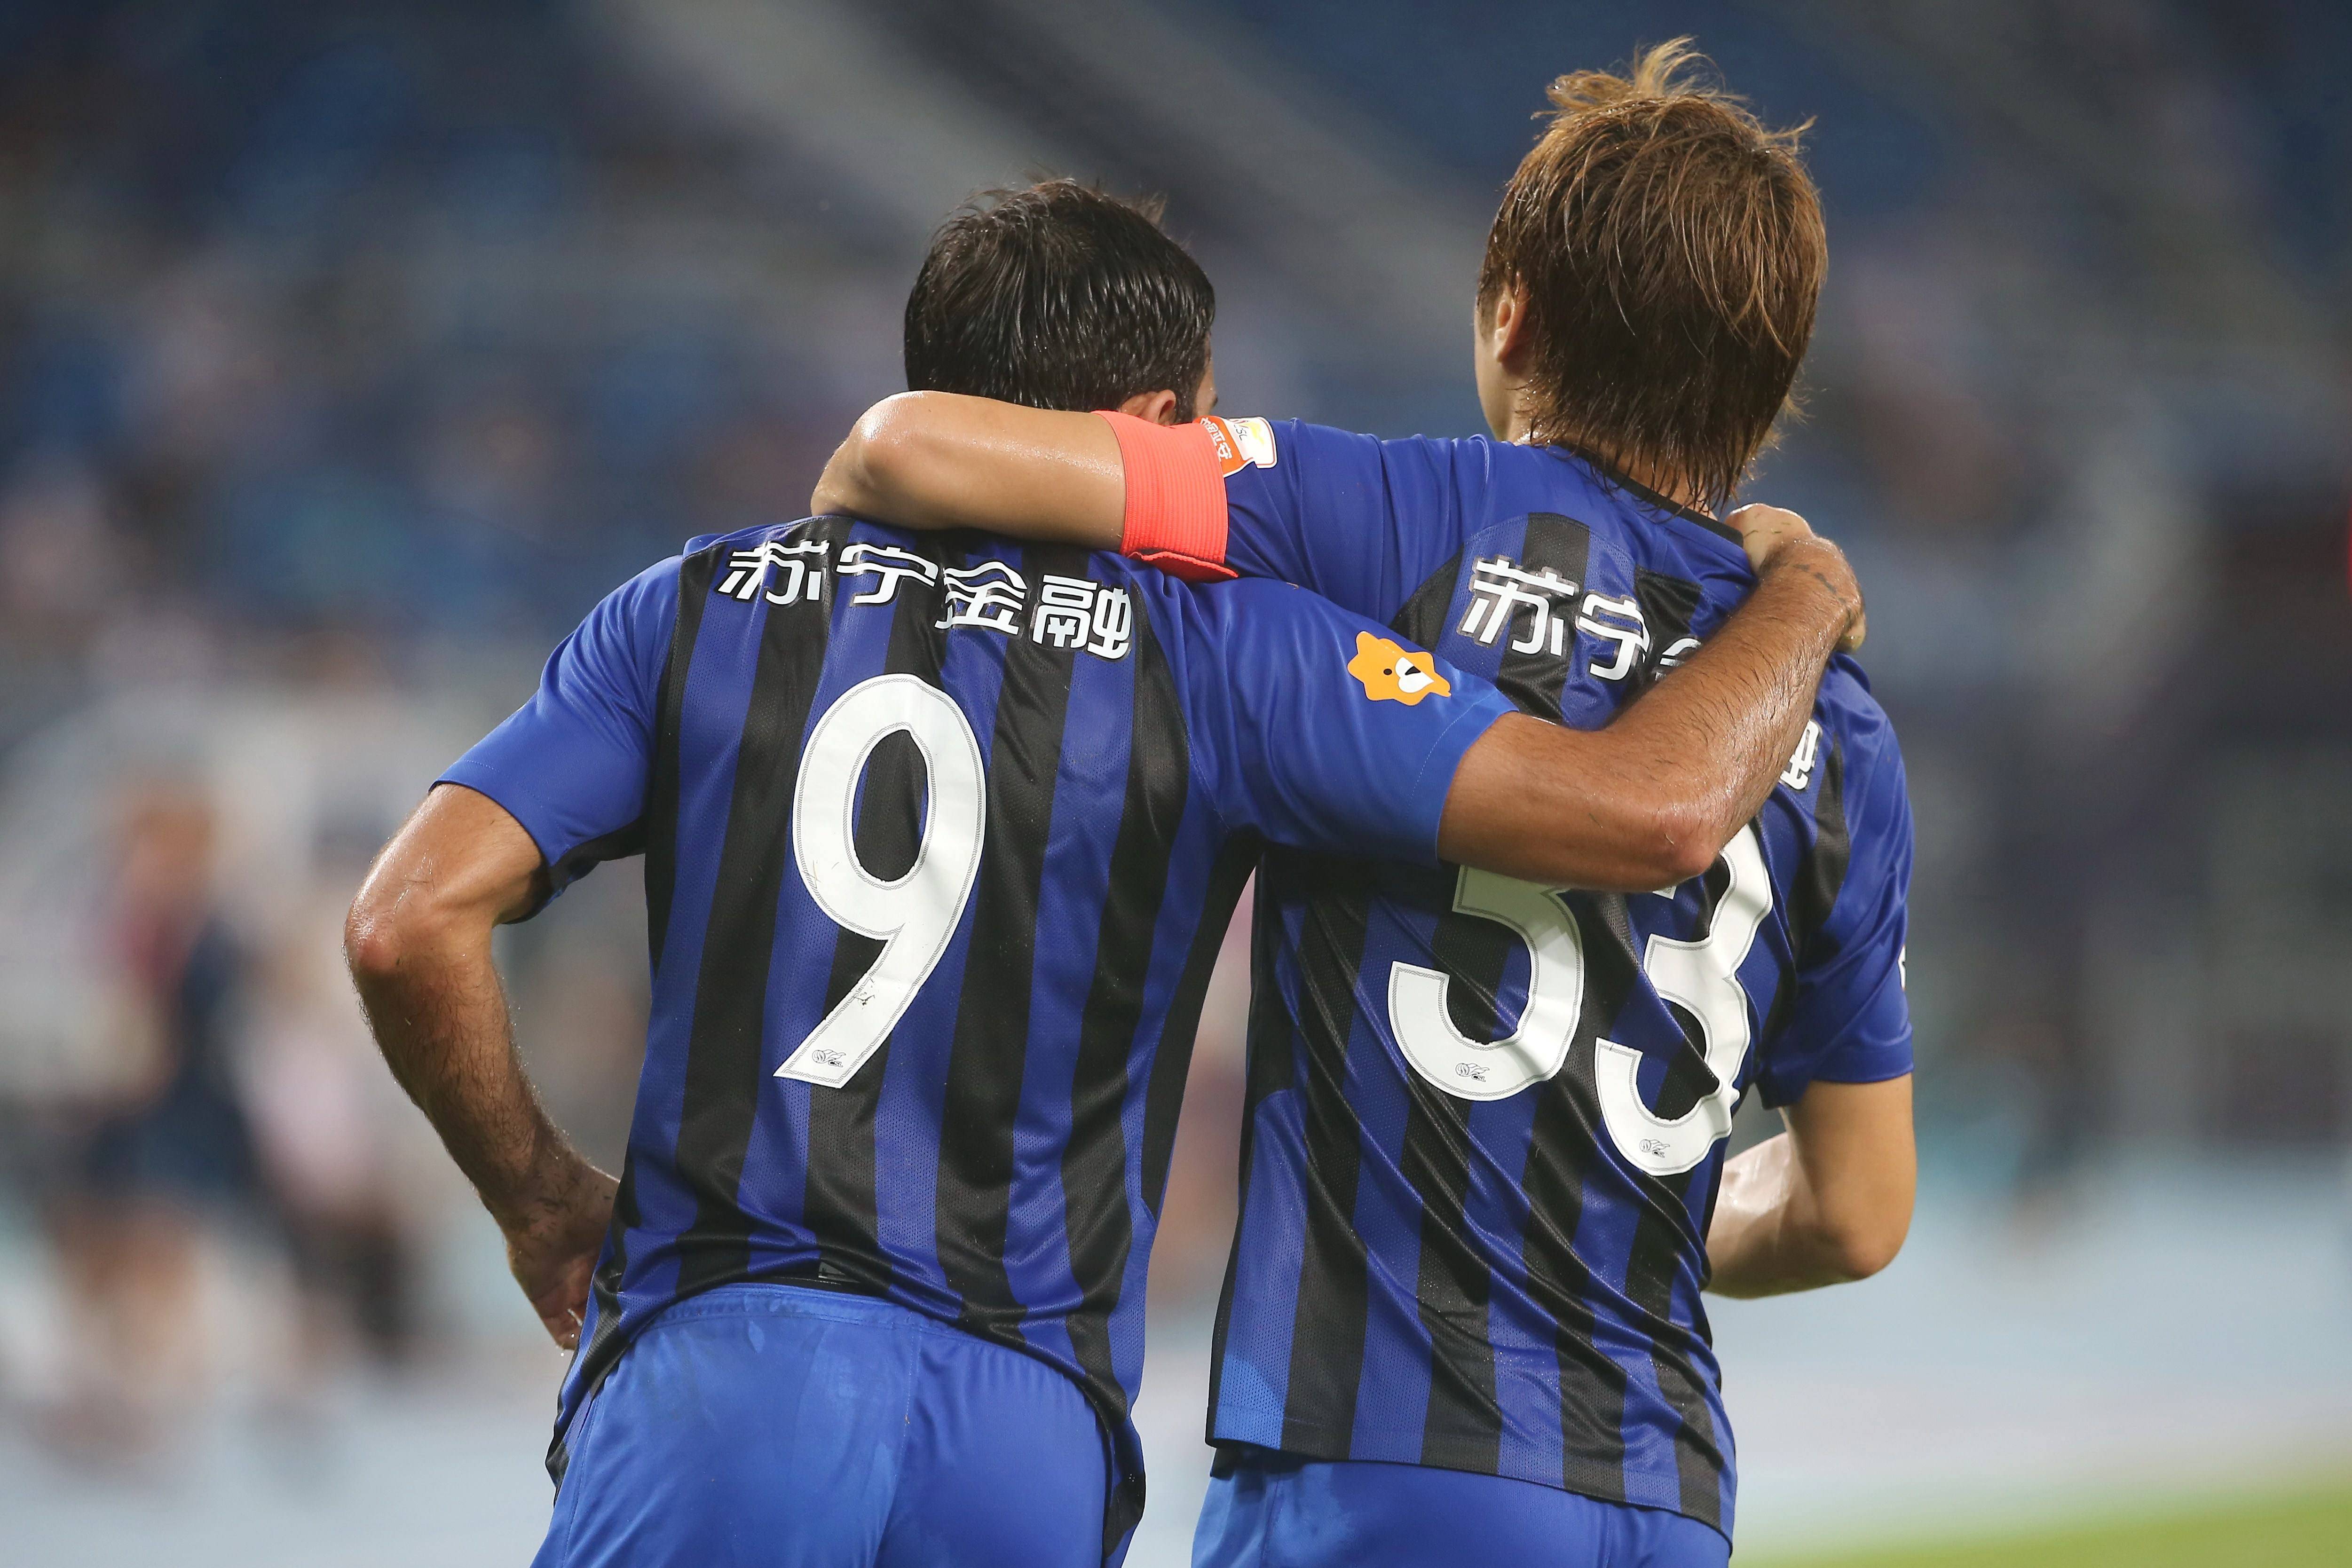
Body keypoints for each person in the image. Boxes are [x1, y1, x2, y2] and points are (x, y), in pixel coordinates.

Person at [346, 180, 1863, 1568]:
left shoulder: (690, 606)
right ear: (1148, 424)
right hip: (1030, 1424)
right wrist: (1799, 594)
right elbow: (1639, 809)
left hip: (720, 1365)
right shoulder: (1240, 653)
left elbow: (407, 924)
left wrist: (540, 1198)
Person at [812, 45, 1914, 1568]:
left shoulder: (1376, 516)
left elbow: (912, 447)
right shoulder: (1837, 724)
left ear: (1511, 315)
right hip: (1662, 1495)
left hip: (1382, 1463)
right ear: (1772, 387)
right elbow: (1856, 1214)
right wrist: (1647, 1221)